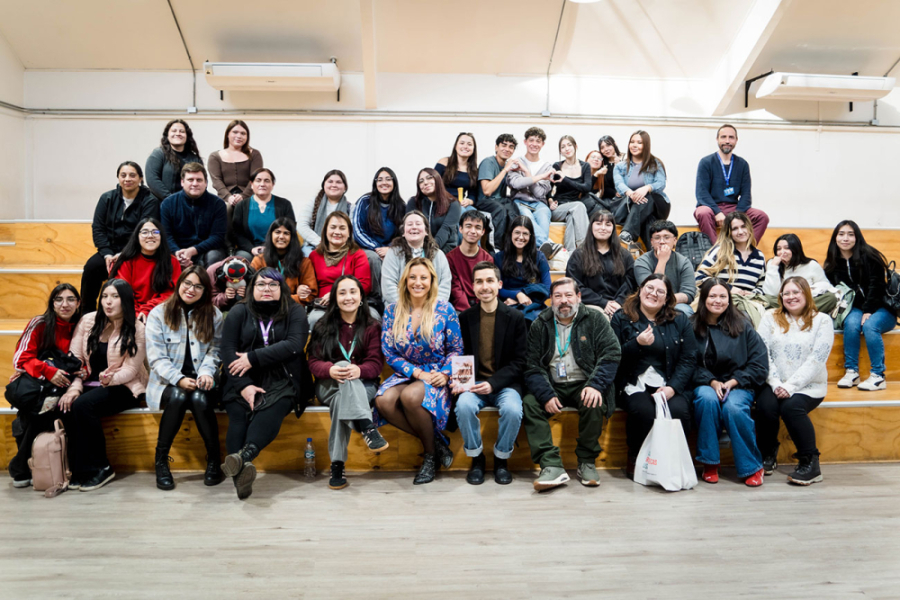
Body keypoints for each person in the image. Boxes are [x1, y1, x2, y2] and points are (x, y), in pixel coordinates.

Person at [219, 268, 312, 500]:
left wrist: (253, 358)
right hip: (240, 376)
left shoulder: (295, 310)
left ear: (282, 289)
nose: (267, 289)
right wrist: (244, 386)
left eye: (273, 285)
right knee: (238, 414)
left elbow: (294, 344)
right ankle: (240, 475)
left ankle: (243, 458)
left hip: (283, 375)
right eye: (261, 284)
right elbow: (227, 351)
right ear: (252, 288)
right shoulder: (239, 311)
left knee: (274, 405)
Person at [523, 278, 621, 491]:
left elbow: (611, 354)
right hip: (553, 384)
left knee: (594, 401)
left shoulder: (595, 318)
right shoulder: (540, 323)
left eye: (568, 295)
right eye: (558, 296)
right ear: (551, 300)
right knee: (530, 403)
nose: (563, 301)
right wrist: (546, 394)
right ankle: (550, 465)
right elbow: (531, 365)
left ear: (578, 297)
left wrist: (595, 384)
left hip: (585, 382)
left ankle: (586, 461)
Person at [374, 258, 464, 485]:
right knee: (383, 401)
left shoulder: (445, 309)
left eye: (423, 277)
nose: (418, 282)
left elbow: (456, 349)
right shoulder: (393, 310)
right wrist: (416, 373)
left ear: (432, 281)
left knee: (410, 396)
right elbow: (389, 352)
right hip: (407, 372)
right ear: (405, 281)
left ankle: (430, 456)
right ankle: (437, 442)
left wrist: (444, 374)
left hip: (436, 373)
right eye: (412, 277)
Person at [59, 279, 148, 492]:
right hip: (91, 383)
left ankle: (102, 466)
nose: (108, 302)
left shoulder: (137, 328)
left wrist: (109, 380)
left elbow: (131, 370)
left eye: (115, 297)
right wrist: (74, 387)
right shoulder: (88, 321)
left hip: (125, 386)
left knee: (84, 405)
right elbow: (76, 360)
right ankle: (79, 469)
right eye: (105, 296)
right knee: (68, 404)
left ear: (125, 300)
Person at [145, 266, 224, 490]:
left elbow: (215, 351)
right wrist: (178, 379)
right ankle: (161, 461)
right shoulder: (159, 314)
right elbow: (156, 358)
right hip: (166, 383)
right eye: (187, 283)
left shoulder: (214, 314)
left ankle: (214, 460)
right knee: (179, 396)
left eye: (198, 286)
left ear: (205, 290)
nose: (191, 289)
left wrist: (207, 372)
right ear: (179, 283)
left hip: (201, 379)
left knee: (199, 399)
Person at [610, 274, 697, 478]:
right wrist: (636, 344)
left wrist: (672, 388)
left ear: (667, 299)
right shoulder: (621, 317)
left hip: (667, 382)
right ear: (640, 290)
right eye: (649, 288)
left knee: (680, 410)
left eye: (660, 292)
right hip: (632, 383)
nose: (653, 294)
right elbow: (612, 356)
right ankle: (638, 459)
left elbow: (689, 358)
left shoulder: (679, 320)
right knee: (644, 411)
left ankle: (672, 461)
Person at [308, 275, 389, 490]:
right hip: (328, 384)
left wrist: (359, 370)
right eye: (342, 292)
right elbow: (313, 362)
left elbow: (375, 365)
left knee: (340, 401)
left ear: (361, 296)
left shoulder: (372, 326)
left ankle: (337, 465)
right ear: (335, 297)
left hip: (364, 386)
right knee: (342, 365)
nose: (348, 297)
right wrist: (331, 370)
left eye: (353, 292)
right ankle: (366, 426)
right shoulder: (322, 325)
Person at [756, 277, 834, 485]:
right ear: (781, 296)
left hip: (809, 386)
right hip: (774, 381)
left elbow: (817, 359)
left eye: (796, 292)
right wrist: (775, 383)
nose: (791, 297)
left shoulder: (822, 320)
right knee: (765, 405)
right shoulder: (769, 317)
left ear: (806, 294)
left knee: (791, 407)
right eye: (786, 293)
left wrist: (791, 386)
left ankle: (810, 462)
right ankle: (768, 452)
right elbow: (761, 352)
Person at [454, 261, 527, 485]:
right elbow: (460, 355)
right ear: (472, 286)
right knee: (463, 406)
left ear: (499, 284)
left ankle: (501, 459)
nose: (484, 286)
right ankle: (476, 458)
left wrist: (494, 383)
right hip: (475, 384)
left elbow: (520, 361)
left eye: (489, 281)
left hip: (504, 384)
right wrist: (460, 381)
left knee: (514, 410)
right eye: (479, 282)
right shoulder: (465, 318)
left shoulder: (515, 317)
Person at [690, 279, 768, 487]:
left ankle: (752, 466)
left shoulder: (743, 325)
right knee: (706, 400)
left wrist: (735, 381)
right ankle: (709, 462)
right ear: (703, 299)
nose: (718, 301)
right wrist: (711, 381)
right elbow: (687, 363)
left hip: (739, 383)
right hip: (705, 382)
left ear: (729, 299)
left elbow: (759, 364)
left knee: (733, 407)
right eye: (712, 296)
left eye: (722, 296)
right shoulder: (691, 325)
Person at [7, 284, 82, 488]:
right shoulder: (40, 323)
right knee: (36, 409)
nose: (64, 304)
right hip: (39, 383)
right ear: (52, 303)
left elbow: (83, 360)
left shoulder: (82, 325)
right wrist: (48, 371)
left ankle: (22, 467)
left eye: (70, 299)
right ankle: (24, 466)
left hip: (66, 385)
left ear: (78, 303)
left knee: (51, 408)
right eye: (58, 299)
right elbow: (20, 359)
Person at [824, 220, 898, 391]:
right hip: (856, 308)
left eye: (850, 234)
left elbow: (877, 285)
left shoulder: (869, 256)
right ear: (835, 238)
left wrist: (868, 310)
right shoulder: (833, 263)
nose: (845, 238)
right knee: (850, 324)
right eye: (841, 234)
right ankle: (852, 371)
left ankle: (878, 376)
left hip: (882, 308)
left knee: (870, 326)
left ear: (857, 237)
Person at [82, 161, 160, 313]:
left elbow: (145, 231)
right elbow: (98, 228)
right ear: (118, 178)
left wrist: (124, 253)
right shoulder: (107, 198)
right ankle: (87, 315)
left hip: (136, 251)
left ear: (140, 178)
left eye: (132, 175)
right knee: (91, 267)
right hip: (109, 251)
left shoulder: (150, 201)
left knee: (122, 270)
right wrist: (107, 254)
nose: (127, 179)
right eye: (123, 175)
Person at [508, 127, 586, 258]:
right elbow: (515, 184)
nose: (534, 144)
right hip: (520, 201)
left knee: (544, 216)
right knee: (527, 217)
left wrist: (526, 173)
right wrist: (540, 177)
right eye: (531, 140)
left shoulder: (547, 167)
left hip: (540, 204)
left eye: (538, 141)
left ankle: (543, 250)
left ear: (542, 144)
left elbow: (539, 193)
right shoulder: (516, 163)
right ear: (525, 142)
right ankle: (547, 243)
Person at [694, 124, 769, 244]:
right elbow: (702, 194)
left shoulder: (742, 164)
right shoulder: (706, 162)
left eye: (731, 137)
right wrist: (717, 212)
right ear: (717, 139)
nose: (727, 141)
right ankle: (715, 253)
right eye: (723, 137)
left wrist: (736, 216)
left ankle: (746, 250)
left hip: (734, 208)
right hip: (710, 208)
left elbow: (746, 196)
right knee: (703, 212)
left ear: (736, 140)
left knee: (762, 216)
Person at [301, 211, 373, 329]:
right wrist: (303, 288)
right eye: (333, 227)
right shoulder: (314, 256)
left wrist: (336, 294)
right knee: (314, 319)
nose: (337, 232)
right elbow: (309, 283)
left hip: (352, 304)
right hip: (324, 307)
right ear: (325, 231)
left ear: (349, 233)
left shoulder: (357, 254)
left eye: (342, 228)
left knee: (372, 317)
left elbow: (364, 285)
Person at [566, 209, 636, 318]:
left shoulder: (624, 254)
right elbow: (574, 285)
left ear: (613, 228)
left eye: (608, 224)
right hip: (590, 304)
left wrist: (618, 302)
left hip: (619, 305)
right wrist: (602, 302)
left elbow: (631, 282)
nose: (603, 228)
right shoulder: (579, 254)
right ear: (591, 227)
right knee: (600, 317)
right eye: (598, 224)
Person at [108, 217, 181, 322]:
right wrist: (137, 313)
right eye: (145, 232)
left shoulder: (172, 262)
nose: (150, 236)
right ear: (137, 237)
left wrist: (147, 310)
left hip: (161, 310)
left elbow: (171, 293)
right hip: (129, 311)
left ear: (161, 236)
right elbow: (123, 292)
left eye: (155, 232)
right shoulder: (126, 261)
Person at [159, 163, 228, 268]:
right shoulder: (168, 204)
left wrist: (193, 250)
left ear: (206, 183)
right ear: (182, 182)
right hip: (178, 250)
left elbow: (217, 237)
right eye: (190, 180)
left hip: (207, 250)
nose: (195, 184)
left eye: (199, 180)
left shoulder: (218, 204)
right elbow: (167, 236)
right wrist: (178, 253)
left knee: (214, 256)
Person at [351, 167, 406, 300]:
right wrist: (377, 248)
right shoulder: (365, 201)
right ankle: (377, 298)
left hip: (390, 247)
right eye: (379, 179)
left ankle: (400, 297)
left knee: (402, 256)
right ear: (375, 183)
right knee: (374, 259)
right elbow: (357, 230)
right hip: (367, 247)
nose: (384, 182)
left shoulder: (401, 205)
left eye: (388, 179)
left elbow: (403, 233)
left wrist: (390, 248)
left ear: (394, 182)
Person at [613, 130, 670, 251]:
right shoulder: (620, 166)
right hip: (633, 208)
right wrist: (631, 194)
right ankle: (657, 256)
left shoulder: (655, 163)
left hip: (658, 206)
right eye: (632, 142)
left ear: (646, 145)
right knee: (648, 222)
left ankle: (628, 232)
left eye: (639, 142)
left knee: (648, 197)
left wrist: (646, 188)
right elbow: (619, 184)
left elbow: (661, 183)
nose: (634, 145)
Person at [380, 211, 451, 306]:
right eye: (409, 224)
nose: (414, 227)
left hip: (432, 309)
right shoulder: (393, 253)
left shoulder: (438, 255)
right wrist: (410, 308)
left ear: (426, 231)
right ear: (403, 232)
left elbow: (444, 286)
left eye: (418, 224)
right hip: (399, 307)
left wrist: (429, 308)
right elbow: (388, 287)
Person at [493, 216, 551, 322]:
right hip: (508, 303)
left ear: (531, 236)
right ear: (511, 234)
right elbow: (497, 288)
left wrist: (523, 296)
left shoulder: (539, 257)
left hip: (534, 304)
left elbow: (547, 288)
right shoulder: (499, 257)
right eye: (517, 232)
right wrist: (517, 295)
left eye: (525, 233)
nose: (521, 237)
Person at [634, 220, 697, 315]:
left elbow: (688, 294)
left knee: (685, 311)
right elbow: (650, 290)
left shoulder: (684, 262)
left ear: (675, 240)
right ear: (651, 241)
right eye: (657, 238)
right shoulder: (641, 262)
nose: (662, 242)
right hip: (648, 303)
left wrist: (665, 300)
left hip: (674, 304)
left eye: (666, 237)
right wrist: (662, 260)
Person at [231, 168, 295, 261]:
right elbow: (237, 233)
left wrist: (271, 248)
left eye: (267, 181)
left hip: (277, 248)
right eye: (258, 180)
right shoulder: (241, 206)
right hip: (249, 250)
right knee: (242, 260)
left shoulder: (284, 204)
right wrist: (251, 249)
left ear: (272, 185)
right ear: (252, 184)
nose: (262, 184)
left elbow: (290, 230)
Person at [761, 233, 837, 312]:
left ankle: (793, 314)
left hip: (806, 302)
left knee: (831, 297)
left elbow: (826, 286)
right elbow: (771, 293)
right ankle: (799, 314)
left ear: (796, 249)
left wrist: (806, 293)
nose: (782, 252)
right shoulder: (772, 263)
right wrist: (774, 267)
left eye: (787, 248)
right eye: (779, 249)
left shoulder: (811, 265)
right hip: (785, 303)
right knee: (767, 300)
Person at [695, 212, 766, 296]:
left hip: (748, 303)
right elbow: (699, 278)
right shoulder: (719, 251)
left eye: (743, 227)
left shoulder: (759, 256)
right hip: (721, 302)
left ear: (749, 228)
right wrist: (728, 288)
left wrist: (752, 294)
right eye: (734, 229)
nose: (740, 232)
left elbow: (762, 287)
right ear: (728, 232)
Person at [251, 218, 318, 306]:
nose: (281, 236)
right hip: (264, 307)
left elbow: (311, 295)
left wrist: (303, 293)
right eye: (277, 232)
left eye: (286, 233)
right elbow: (251, 290)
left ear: (292, 237)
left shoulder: (304, 262)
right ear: (271, 235)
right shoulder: (259, 260)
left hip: (291, 308)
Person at [207, 120, 264, 209]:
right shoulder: (215, 157)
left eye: (243, 133)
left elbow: (256, 178)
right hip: (224, 200)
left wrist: (243, 196)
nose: (239, 136)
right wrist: (228, 197)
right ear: (227, 134)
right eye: (235, 132)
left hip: (250, 199)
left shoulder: (255, 155)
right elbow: (217, 181)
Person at [477, 133, 522, 244]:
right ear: (496, 147)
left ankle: (512, 246)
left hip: (500, 201)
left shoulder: (507, 166)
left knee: (513, 207)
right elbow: (487, 191)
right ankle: (496, 249)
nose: (507, 149)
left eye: (511, 147)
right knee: (501, 210)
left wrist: (520, 171)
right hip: (485, 201)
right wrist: (505, 170)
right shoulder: (488, 162)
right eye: (504, 145)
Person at [447, 211, 494, 312]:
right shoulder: (450, 258)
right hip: (460, 308)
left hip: (482, 305)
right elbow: (456, 290)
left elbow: (488, 287)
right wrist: (469, 312)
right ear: (460, 229)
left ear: (483, 231)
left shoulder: (487, 259)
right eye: (468, 226)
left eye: (477, 227)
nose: (473, 231)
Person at [406, 167, 461, 253]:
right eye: (421, 181)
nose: (425, 182)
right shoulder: (413, 202)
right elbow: (410, 229)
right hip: (418, 250)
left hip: (445, 250)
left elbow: (446, 229)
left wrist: (430, 250)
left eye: (429, 178)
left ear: (437, 179)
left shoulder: (453, 204)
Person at [145, 119, 202, 201]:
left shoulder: (194, 158)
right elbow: (152, 180)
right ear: (167, 135)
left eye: (182, 131)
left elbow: (201, 181)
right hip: (163, 204)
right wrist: (171, 199)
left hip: (189, 204)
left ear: (187, 136)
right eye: (174, 131)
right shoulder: (158, 154)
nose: (178, 134)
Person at [297, 169, 351, 256]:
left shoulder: (351, 208)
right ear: (324, 185)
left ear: (345, 187)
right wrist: (321, 243)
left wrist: (334, 246)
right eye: (330, 181)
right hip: (313, 246)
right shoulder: (313, 203)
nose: (334, 185)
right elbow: (301, 226)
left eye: (338, 182)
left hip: (341, 248)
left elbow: (351, 232)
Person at [551, 135, 599, 218]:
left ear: (575, 146)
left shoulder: (585, 166)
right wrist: (550, 201)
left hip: (577, 206)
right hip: (560, 206)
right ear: (560, 151)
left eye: (569, 145)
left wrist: (565, 179)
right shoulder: (557, 166)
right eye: (563, 147)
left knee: (574, 215)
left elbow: (587, 187)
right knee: (578, 207)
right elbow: (548, 189)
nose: (567, 149)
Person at [435, 132, 479, 210]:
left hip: (461, 203)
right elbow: (433, 184)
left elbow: (473, 193)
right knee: (460, 211)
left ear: (473, 149)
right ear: (456, 146)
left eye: (469, 144)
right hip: (443, 202)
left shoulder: (473, 170)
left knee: (473, 213)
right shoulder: (444, 162)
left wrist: (469, 201)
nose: (465, 147)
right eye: (462, 143)